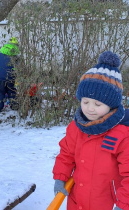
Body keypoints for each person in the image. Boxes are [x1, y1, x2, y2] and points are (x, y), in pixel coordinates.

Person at [52, 51, 129, 210]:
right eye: (85, 102)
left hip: (107, 203)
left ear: (111, 105)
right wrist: (60, 177)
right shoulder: (76, 127)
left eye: (98, 104)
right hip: (76, 199)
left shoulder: (122, 133)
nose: (90, 109)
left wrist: (124, 204)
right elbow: (66, 154)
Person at [0, 37, 20, 112]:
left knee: (0, 92)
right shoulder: (16, 57)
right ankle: (14, 105)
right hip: (11, 77)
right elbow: (19, 67)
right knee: (11, 91)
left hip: (0, 77)